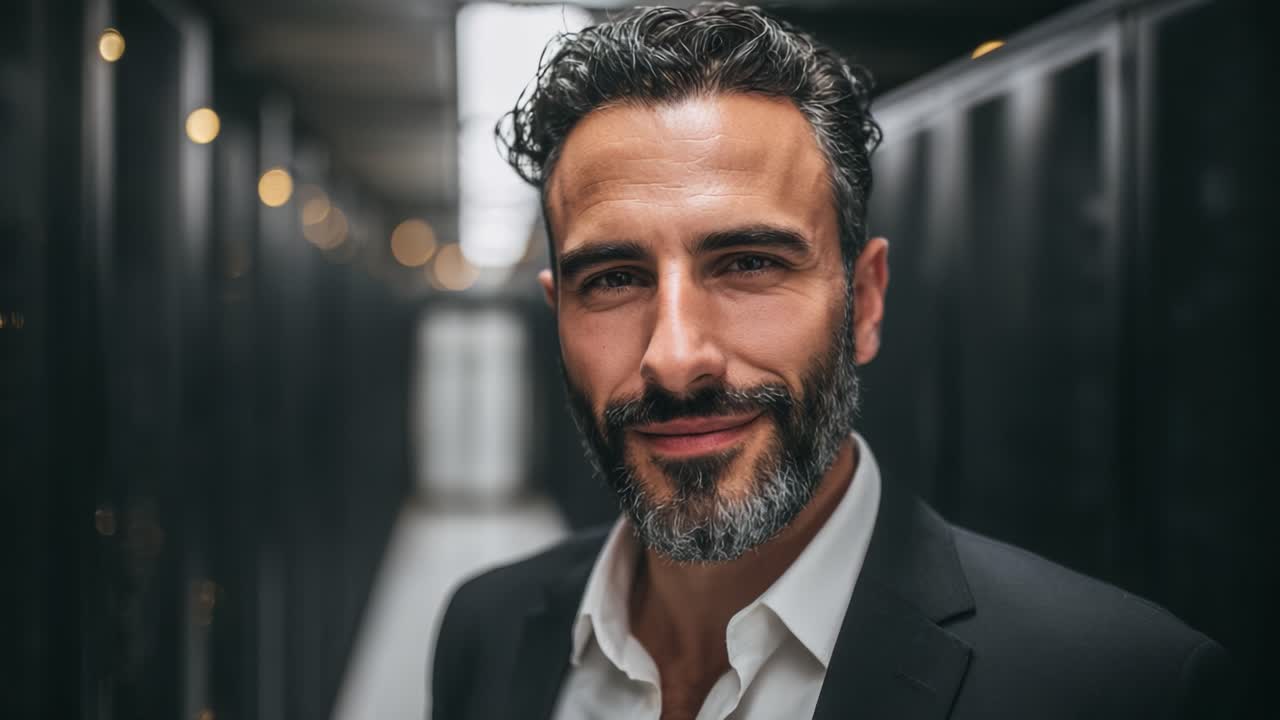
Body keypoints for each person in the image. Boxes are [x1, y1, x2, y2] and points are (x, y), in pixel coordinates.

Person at [430, 4, 1230, 718]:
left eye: (748, 264)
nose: (676, 360)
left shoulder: (1120, 688)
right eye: (613, 280)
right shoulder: (485, 630)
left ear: (866, 303)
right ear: (557, 315)